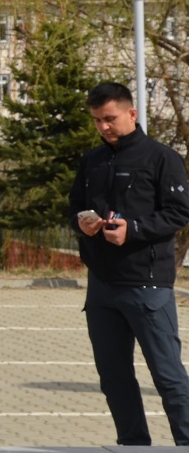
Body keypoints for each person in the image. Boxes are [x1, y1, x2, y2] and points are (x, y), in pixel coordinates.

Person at [69, 81, 189, 445]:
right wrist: (82, 222)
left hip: (147, 285)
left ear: (131, 114)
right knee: (114, 377)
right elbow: (73, 207)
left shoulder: (161, 157)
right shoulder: (91, 160)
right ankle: (133, 444)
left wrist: (133, 230)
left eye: (110, 119)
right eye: (96, 121)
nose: (103, 127)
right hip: (102, 286)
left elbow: (179, 212)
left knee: (167, 376)